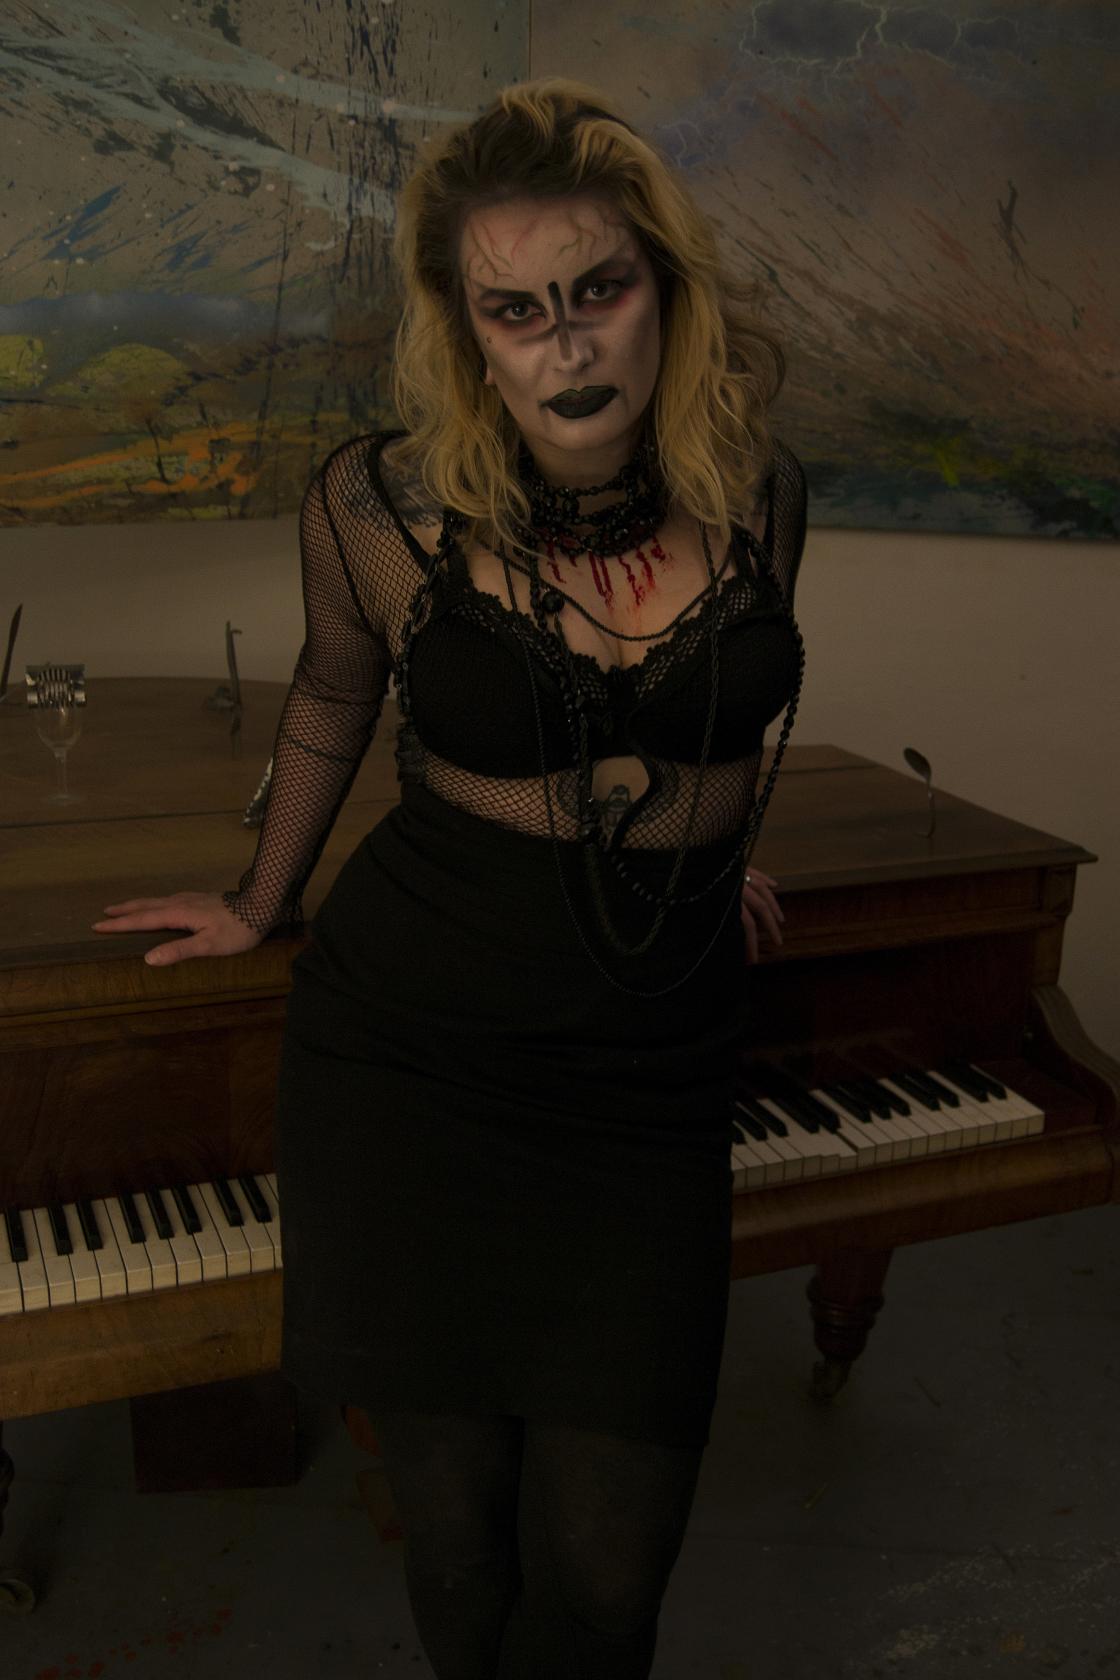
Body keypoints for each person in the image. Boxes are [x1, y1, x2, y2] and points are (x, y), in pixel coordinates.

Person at [92, 78, 807, 1680]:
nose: (568, 344)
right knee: (463, 1547)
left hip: (648, 1078)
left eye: (599, 290)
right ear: (467, 331)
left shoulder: (761, 490)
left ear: (663, 290)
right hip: (414, 1059)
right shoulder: (378, 502)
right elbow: (333, 695)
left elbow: (730, 715)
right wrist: (259, 901)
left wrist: (707, 855)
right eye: (516, 310)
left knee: (608, 1579)